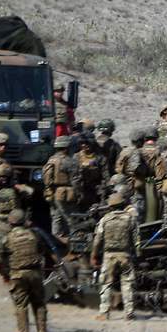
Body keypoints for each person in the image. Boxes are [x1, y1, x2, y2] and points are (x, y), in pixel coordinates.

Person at [0, 208, 53, 332]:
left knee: (21, 304)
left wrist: (4, 274)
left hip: (17, 275)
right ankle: (42, 331)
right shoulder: (34, 235)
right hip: (36, 273)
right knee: (39, 302)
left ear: (10, 222)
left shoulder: (6, 239)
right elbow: (42, 251)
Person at [91, 193, 138, 321]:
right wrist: (137, 255)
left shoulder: (105, 220)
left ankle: (104, 313)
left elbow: (97, 240)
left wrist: (93, 255)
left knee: (106, 284)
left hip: (109, 255)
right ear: (123, 204)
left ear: (110, 205)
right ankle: (129, 313)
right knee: (127, 284)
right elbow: (136, 240)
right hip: (125, 255)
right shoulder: (130, 219)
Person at [0, 163, 33, 267]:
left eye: (6, 177)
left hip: (16, 223)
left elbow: (30, 192)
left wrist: (18, 187)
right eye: (1, 177)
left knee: (20, 245)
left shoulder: (16, 188)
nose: (3, 179)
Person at [42, 135, 80, 239]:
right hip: (66, 194)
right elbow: (75, 180)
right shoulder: (70, 161)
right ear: (67, 147)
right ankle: (73, 240)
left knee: (56, 217)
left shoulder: (51, 160)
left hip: (52, 193)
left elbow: (46, 178)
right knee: (71, 219)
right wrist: (79, 194)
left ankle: (56, 239)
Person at [76, 136, 108, 211]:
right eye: (82, 143)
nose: (84, 145)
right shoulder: (76, 157)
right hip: (82, 189)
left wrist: (105, 187)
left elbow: (105, 174)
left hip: (97, 188)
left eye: (87, 143)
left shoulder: (99, 157)